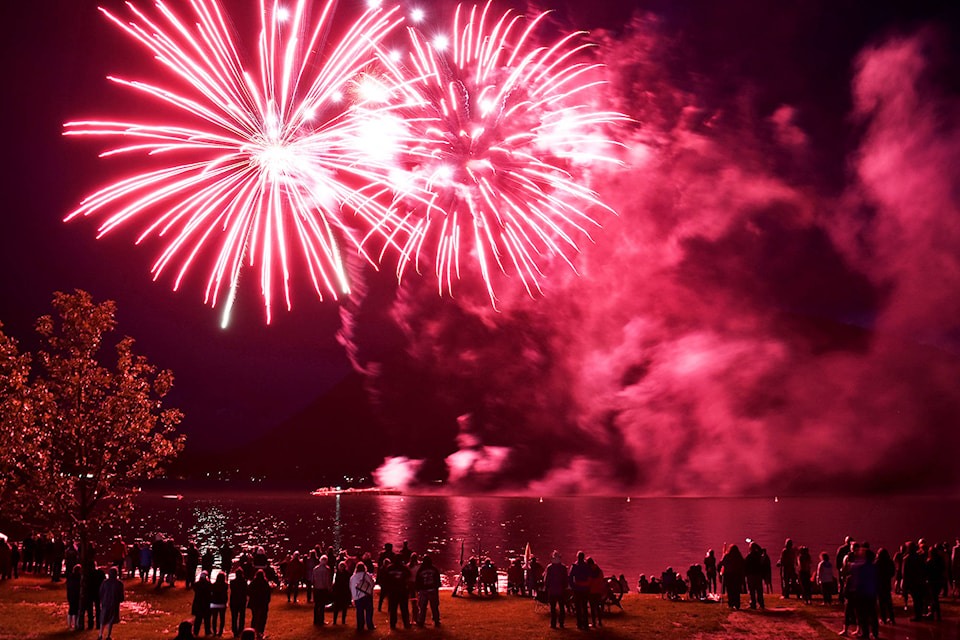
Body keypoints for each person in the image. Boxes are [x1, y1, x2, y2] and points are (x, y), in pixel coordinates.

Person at [383, 550, 412, 628]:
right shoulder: (404, 568)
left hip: (393, 592)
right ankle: (406, 624)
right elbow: (409, 577)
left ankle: (393, 624)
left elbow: (385, 580)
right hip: (402, 591)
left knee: (393, 609)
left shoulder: (389, 568)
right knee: (404, 609)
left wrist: (386, 590)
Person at [415, 554, 441, 627]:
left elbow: (418, 580)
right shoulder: (434, 569)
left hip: (424, 590)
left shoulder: (421, 570)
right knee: (434, 606)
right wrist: (436, 587)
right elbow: (437, 580)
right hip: (432, 589)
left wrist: (418, 589)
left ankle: (421, 621)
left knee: (423, 607)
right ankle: (436, 620)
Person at [544, 551, 568, 629]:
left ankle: (553, 623)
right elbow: (566, 579)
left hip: (552, 590)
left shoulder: (549, 567)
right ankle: (561, 623)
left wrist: (547, 587)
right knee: (561, 608)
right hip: (561, 590)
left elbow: (546, 579)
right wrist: (565, 587)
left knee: (553, 608)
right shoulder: (563, 568)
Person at [99, 567, 124, 640]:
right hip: (114, 603)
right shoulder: (119, 583)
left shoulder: (105, 582)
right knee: (110, 619)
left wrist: (102, 600)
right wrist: (120, 600)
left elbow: (101, 592)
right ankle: (108, 635)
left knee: (103, 619)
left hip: (105, 603)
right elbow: (121, 595)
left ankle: (100, 634)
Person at [350, 562, 376, 630]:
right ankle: (370, 625)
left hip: (358, 597)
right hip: (367, 595)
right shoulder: (366, 575)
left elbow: (352, 587)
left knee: (359, 612)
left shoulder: (353, 577)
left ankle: (360, 626)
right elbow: (372, 584)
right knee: (369, 611)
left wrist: (354, 597)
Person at [569, 551, 591, 629]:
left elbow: (570, 577)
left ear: (577, 557)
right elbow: (590, 576)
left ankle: (579, 623)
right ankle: (585, 623)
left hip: (577, 588)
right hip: (585, 588)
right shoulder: (586, 566)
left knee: (578, 607)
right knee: (584, 606)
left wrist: (573, 586)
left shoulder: (574, 566)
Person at [247, 569, 271, 640]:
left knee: (254, 617)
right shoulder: (265, 583)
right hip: (263, 602)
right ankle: (261, 631)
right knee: (262, 618)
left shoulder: (253, 583)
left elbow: (248, 591)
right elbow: (268, 593)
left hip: (254, 602)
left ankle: (253, 631)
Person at [719, 545, 745, 610]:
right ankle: (737, 604)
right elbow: (743, 565)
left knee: (730, 590)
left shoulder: (727, 556)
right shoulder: (739, 557)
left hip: (729, 575)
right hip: (737, 575)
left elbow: (721, 564)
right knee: (736, 590)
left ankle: (731, 603)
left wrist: (721, 572)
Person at [874, 548, 895, 625]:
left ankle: (883, 618)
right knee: (889, 602)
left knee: (881, 602)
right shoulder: (889, 562)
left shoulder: (877, 562)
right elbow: (892, 572)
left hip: (879, 584)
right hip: (887, 583)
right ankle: (892, 618)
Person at [311, 554, 333, 625]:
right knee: (322, 605)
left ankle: (315, 619)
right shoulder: (327, 570)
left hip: (317, 588)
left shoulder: (315, 569)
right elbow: (328, 580)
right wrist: (329, 588)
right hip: (323, 588)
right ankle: (321, 619)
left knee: (317, 605)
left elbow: (312, 579)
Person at [192, 570, 213, 636]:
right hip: (206, 603)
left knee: (198, 619)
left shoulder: (197, 584)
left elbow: (194, 587)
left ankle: (196, 631)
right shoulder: (208, 584)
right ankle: (207, 631)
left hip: (198, 603)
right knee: (207, 619)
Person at [744, 542, 765, 609]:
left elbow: (745, 565)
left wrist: (745, 574)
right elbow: (761, 550)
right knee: (759, 590)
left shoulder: (749, 556)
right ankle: (761, 603)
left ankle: (753, 603)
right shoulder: (758, 555)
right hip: (758, 574)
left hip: (751, 575)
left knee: (752, 591)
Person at [229, 567, 248, 638]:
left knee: (234, 617)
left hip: (234, 600)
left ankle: (234, 631)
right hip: (242, 601)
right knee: (242, 616)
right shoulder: (244, 582)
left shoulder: (232, 582)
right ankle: (241, 630)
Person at [331, 560, 352, 625]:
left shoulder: (338, 574)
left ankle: (335, 620)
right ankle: (343, 620)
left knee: (337, 607)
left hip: (339, 592)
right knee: (344, 607)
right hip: (344, 591)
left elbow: (336, 583)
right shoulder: (347, 574)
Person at [586, 557, 604, 628]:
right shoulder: (599, 570)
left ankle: (593, 622)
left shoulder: (589, 571)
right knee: (598, 606)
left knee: (592, 607)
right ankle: (599, 621)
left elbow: (588, 581)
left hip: (592, 591)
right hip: (598, 590)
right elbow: (602, 579)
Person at [211, 572, 228, 636]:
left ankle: (214, 631)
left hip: (214, 603)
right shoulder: (225, 585)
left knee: (214, 618)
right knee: (222, 618)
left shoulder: (214, 585)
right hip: (222, 603)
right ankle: (220, 631)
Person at [67, 564, 82, 630]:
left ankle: (70, 624)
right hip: (76, 595)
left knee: (71, 610)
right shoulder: (79, 577)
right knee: (76, 610)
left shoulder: (70, 577)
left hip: (70, 594)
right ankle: (76, 624)